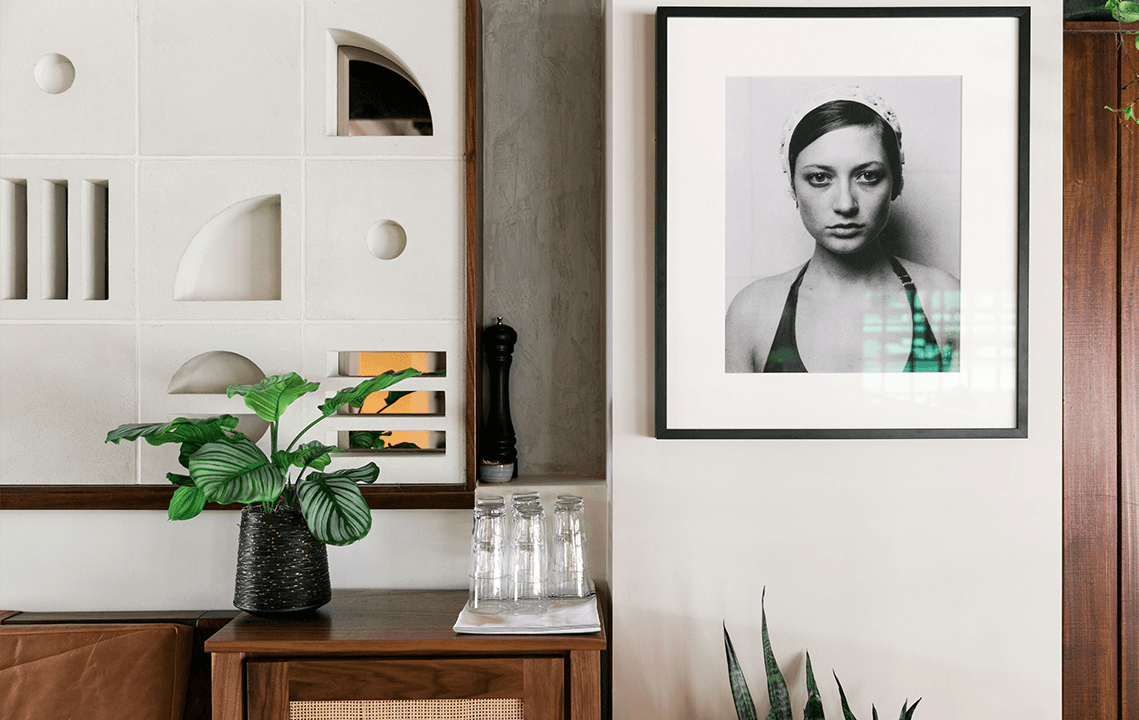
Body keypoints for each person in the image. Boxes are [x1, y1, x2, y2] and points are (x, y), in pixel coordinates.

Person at [725, 86, 960, 373]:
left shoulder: (946, 302)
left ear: (896, 181)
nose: (845, 204)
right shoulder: (752, 314)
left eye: (868, 176)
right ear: (793, 187)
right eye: (820, 178)